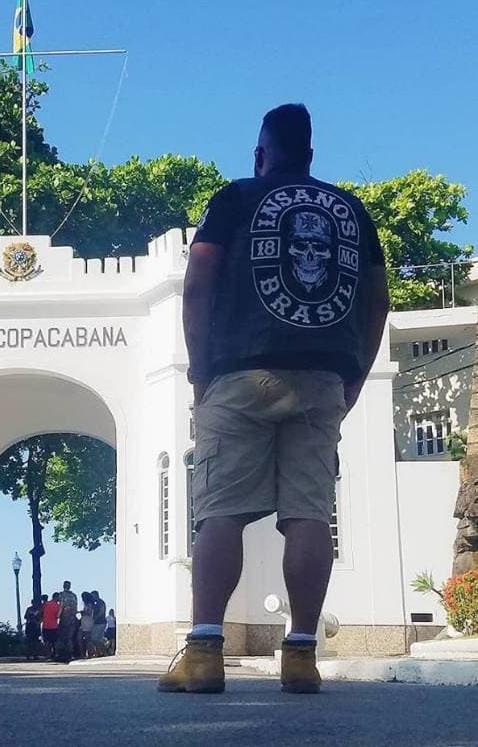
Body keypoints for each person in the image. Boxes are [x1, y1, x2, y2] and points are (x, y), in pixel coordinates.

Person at [160, 103, 389, 695]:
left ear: (262, 153)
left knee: (221, 512)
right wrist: (356, 371)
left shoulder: (236, 198)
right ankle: (302, 655)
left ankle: (205, 652)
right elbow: (376, 300)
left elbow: (197, 284)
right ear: (311, 155)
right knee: (309, 514)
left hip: (241, 370)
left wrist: (201, 371)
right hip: (322, 377)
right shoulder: (351, 211)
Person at [55, 580, 77, 663]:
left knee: (62, 637)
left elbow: (60, 606)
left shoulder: (61, 595)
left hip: (64, 619)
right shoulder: (74, 596)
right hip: (72, 619)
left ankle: (61, 654)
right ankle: (70, 654)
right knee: (69, 637)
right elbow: (75, 608)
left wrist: (58, 616)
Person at [41, 593, 60, 659]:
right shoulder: (58, 606)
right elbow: (58, 616)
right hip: (53, 626)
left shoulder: (45, 604)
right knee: (54, 642)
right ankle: (55, 654)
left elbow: (41, 612)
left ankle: (48, 654)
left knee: (47, 641)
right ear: (55, 597)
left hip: (46, 625)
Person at [89, 590, 107, 657]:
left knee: (94, 639)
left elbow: (102, 611)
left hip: (100, 622)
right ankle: (102, 652)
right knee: (99, 639)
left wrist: (95, 618)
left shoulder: (100, 602)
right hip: (100, 622)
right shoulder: (96, 603)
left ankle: (99, 652)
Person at [78, 592, 93, 659]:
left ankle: (89, 653)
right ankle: (82, 653)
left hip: (88, 622)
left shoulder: (90, 604)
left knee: (87, 639)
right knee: (79, 638)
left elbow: (89, 612)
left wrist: (82, 612)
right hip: (83, 621)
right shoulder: (85, 604)